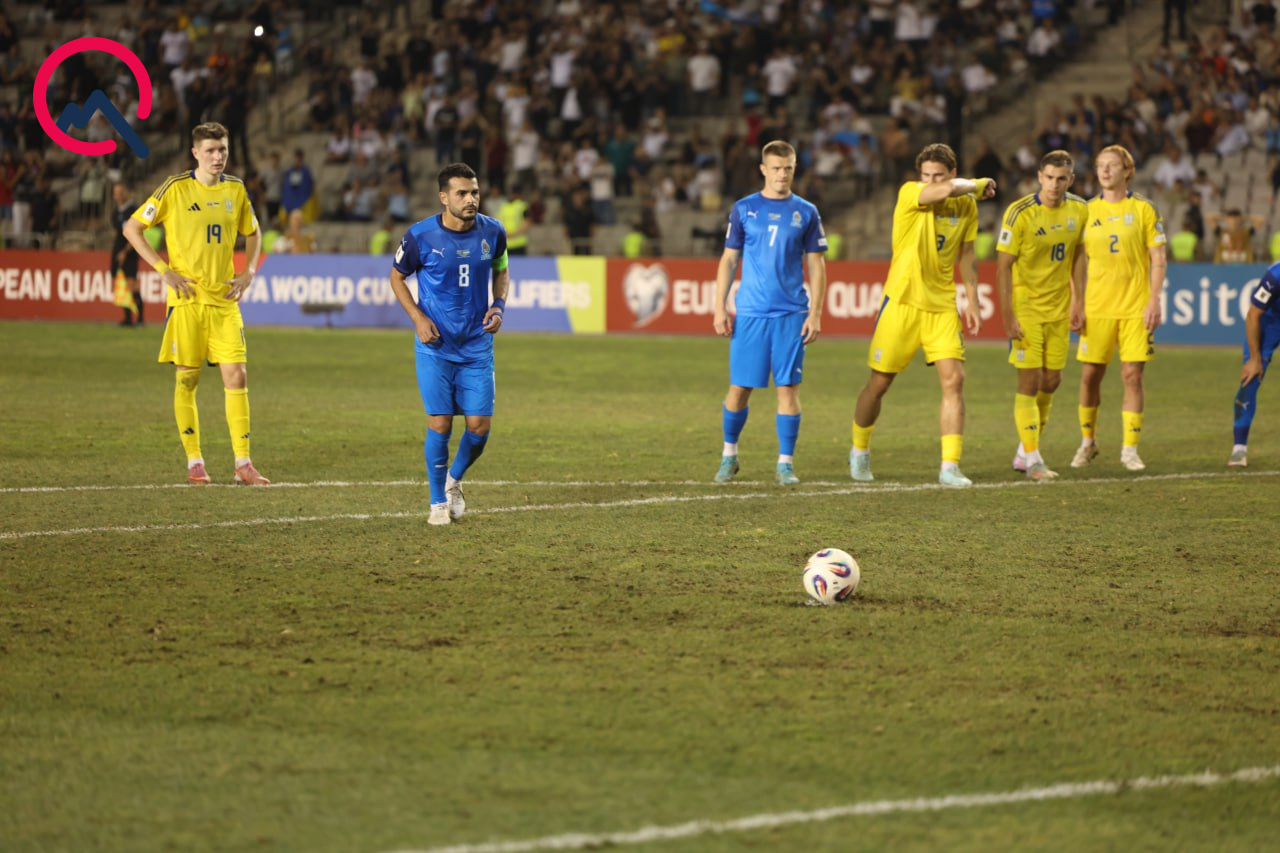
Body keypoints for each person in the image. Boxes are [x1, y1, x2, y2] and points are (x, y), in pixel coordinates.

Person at [123, 122, 268, 486]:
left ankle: (243, 463)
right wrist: (163, 270)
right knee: (187, 378)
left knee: (237, 375)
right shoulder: (174, 188)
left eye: (222, 150)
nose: (218, 157)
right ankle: (195, 462)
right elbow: (131, 228)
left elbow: (254, 231)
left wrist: (249, 271)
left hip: (224, 301)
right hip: (187, 301)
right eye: (210, 151)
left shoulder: (235, 189)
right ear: (195, 153)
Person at [849, 142, 996, 487]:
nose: (930, 181)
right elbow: (944, 191)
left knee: (954, 380)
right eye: (926, 175)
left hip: (941, 305)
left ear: (952, 173)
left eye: (938, 175)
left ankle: (950, 466)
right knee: (879, 383)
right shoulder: (910, 193)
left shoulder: (965, 205)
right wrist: (977, 184)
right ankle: (860, 448)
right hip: (902, 301)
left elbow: (967, 255)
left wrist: (973, 299)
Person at [388, 163, 509, 526]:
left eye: (474, 192)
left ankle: (453, 480)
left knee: (479, 428)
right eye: (462, 193)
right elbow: (396, 277)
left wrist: (498, 305)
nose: (471, 199)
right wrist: (418, 318)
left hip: (476, 345)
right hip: (435, 346)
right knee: (440, 423)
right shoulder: (420, 236)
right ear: (444, 197)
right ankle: (437, 502)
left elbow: (502, 269)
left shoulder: (493, 231)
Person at [712, 140, 827, 486]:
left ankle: (785, 464)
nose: (782, 174)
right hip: (751, 312)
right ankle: (729, 455)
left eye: (788, 168)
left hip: (791, 313)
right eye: (776, 168)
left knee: (787, 388)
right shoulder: (744, 209)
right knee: (740, 388)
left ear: (795, 169)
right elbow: (729, 259)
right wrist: (719, 306)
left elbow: (817, 265)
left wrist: (816, 313)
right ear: (763, 169)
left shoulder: (807, 212)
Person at [1071, 145, 1167, 472]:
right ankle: (1088, 442)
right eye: (1101, 165)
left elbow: (1158, 258)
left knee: (1132, 375)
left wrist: (1154, 299)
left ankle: (1129, 449)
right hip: (1097, 307)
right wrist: (1076, 301)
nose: (1105, 170)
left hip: (1135, 306)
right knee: (1090, 376)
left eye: (1112, 165)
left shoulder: (1144, 209)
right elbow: (1077, 262)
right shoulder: (1085, 210)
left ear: (1128, 171)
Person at [996, 150, 1089, 481]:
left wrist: (1079, 301)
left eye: (1061, 179)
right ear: (1039, 177)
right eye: (1049, 177)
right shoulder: (1019, 213)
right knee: (1029, 380)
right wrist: (1008, 315)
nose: (1054, 184)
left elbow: (1079, 254)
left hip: (1059, 308)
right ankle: (1034, 459)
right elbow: (1003, 267)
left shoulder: (1080, 209)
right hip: (1027, 308)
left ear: (1071, 180)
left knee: (1052, 380)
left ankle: (1024, 450)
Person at [1228, 264, 1280, 467]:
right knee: (1250, 379)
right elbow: (1253, 315)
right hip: (1271, 321)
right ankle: (1239, 449)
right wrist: (1255, 359)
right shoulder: (1275, 276)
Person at [109, 181, 143, 327]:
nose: (118, 196)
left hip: (130, 252)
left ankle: (140, 319)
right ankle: (128, 319)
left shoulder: (133, 210)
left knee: (131, 285)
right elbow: (117, 233)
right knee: (121, 284)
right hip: (118, 251)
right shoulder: (115, 213)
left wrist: (125, 251)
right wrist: (118, 251)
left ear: (126, 193)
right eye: (116, 193)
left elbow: (136, 233)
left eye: (120, 192)